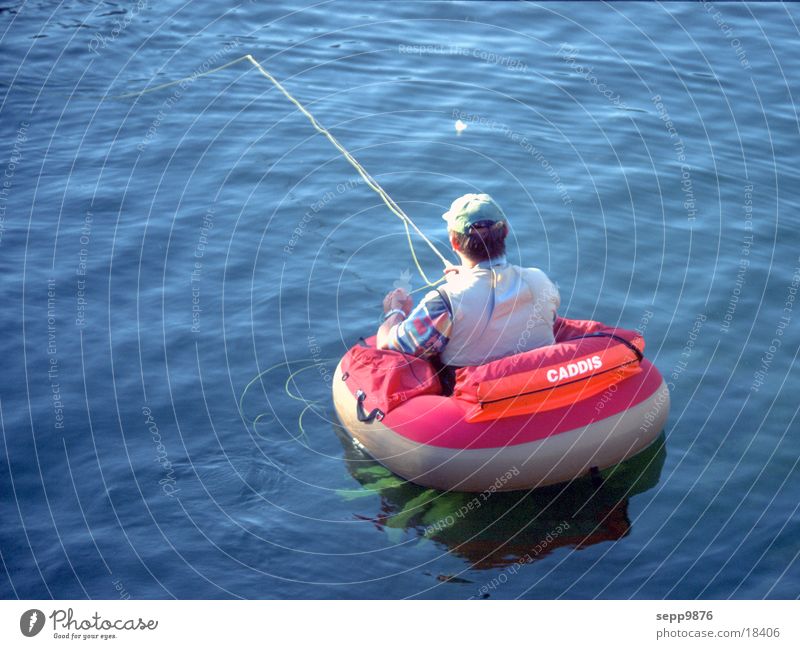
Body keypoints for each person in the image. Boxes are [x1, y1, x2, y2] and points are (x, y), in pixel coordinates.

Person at [376, 193, 560, 382]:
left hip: (481, 401)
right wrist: (465, 279)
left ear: (454, 242)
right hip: (540, 386)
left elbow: (388, 345)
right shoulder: (540, 280)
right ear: (505, 232)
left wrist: (395, 311)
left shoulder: (444, 301)